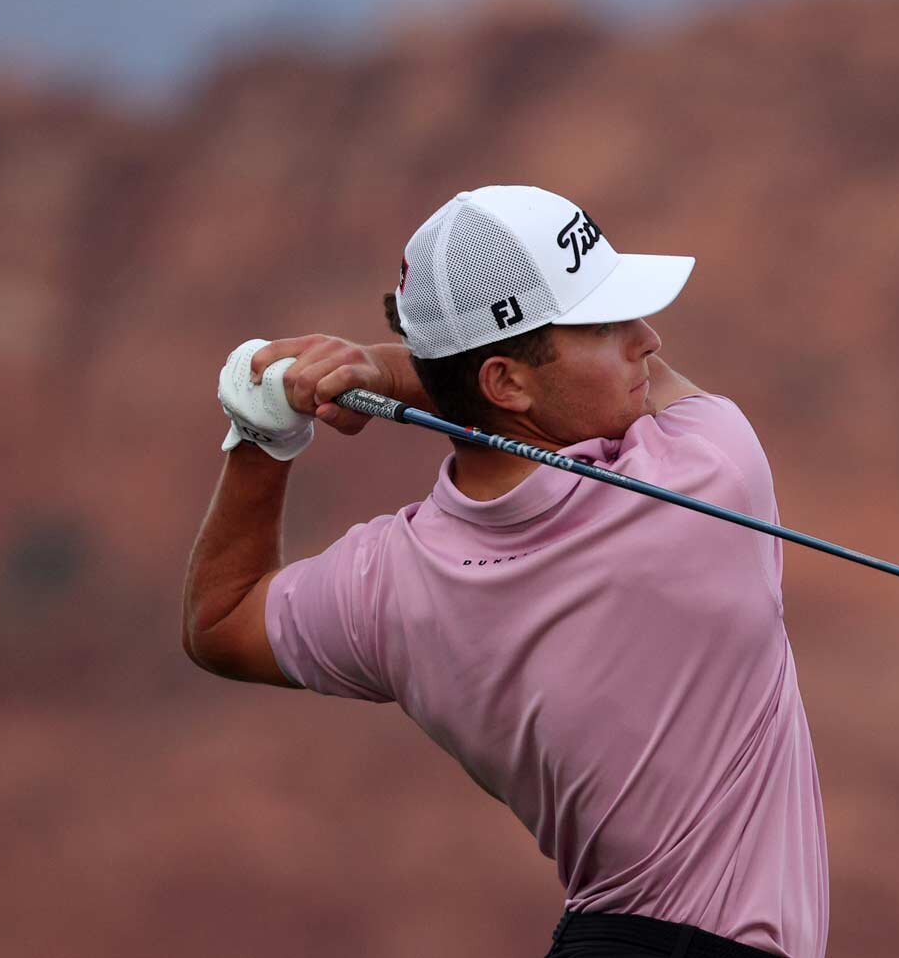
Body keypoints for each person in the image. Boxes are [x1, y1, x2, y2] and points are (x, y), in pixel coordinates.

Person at [182, 186, 829, 958]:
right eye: (605, 325)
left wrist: (263, 432)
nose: (648, 340)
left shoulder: (387, 584)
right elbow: (629, 387)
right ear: (507, 384)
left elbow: (220, 620)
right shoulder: (705, 475)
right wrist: (379, 371)